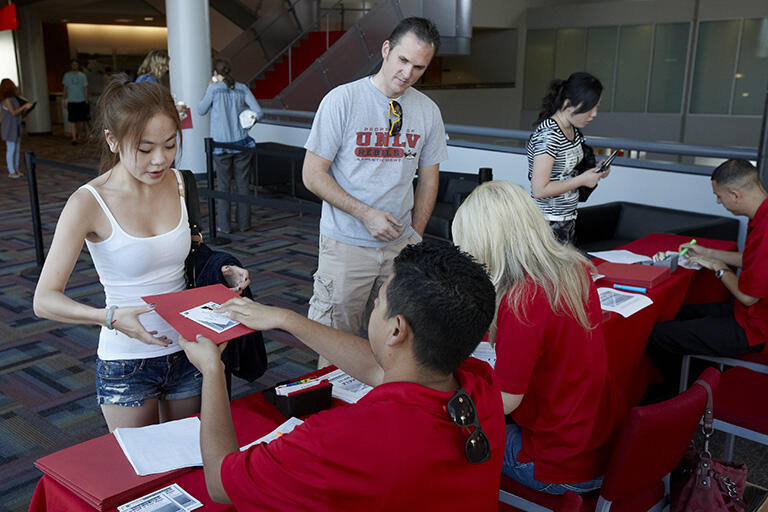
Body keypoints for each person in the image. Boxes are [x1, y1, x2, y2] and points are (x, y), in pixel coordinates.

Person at [178, 240, 506, 509]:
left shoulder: (345, 437)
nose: (374, 308)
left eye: (378, 302)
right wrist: (286, 319)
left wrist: (213, 370)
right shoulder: (481, 388)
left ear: (396, 330)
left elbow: (220, 483)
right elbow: (380, 368)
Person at [32, 74, 249, 431]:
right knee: (140, 464)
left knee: (191, 454)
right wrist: (109, 317)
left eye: (170, 144)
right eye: (145, 149)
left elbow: (190, 253)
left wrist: (220, 268)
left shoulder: (179, 183)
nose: (160, 160)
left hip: (189, 348)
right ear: (113, 140)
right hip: (126, 361)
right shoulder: (88, 202)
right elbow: (44, 301)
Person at [452, 180, 624, 495]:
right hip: (599, 444)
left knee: (448, 437)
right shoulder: (573, 269)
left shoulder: (522, 302)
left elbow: (505, 402)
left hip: (558, 463)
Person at [302, 17, 447, 365]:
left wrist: (415, 236)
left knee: (392, 345)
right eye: (402, 60)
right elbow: (312, 175)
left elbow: (429, 180)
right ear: (386, 50)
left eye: (419, 67)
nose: (408, 73)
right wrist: (365, 214)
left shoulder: (427, 111)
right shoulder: (343, 100)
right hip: (346, 244)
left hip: (400, 247)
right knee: (335, 343)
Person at [647, 159, 767, 394]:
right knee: (676, 313)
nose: (718, 202)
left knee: (658, 336)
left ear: (735, 195)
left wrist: (718, 267)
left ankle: (680, 397)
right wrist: (707, 252)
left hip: (754, 329)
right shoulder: (761, 214)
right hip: (746, 313)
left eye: (719, 197)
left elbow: (748, 297)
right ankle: (698, 379)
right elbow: (752, 260)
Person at [527, 72, 609, 244]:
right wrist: (582, 180)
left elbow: (567, 173)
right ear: (567, 104)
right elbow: (539, 190)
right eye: (590, 107)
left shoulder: (572, 130)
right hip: (546, 224)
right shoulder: (549, 135)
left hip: (566, 220)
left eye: (597, 107)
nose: (594, 114)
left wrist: (595, 172)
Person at [197, 58, 263, 233]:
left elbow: (201, 110)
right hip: (242, 143)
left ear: (215, 73)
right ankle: (244, 224)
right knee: (243, 185)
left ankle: (225, 226)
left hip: (221, 145)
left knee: (223, 187)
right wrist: (247, 121)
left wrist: (208, 89)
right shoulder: (242, 88)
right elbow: (259, 112)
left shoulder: (214, 88)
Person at [0, 79, 32, 178]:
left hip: (15, 125)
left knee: (16, 149)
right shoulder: (7, 100)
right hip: (9, 127)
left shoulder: (13, 98)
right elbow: (13, 112)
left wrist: (25, 108)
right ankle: (11, 171)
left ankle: (16, 169)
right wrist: (24, 106)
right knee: (11, 149)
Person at [62, 59, 90, 145]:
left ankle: (79, 136)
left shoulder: (82, 76)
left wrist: (86, 99)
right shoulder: (67, 75)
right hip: (71, 101)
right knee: (72, 120)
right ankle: (74, 138)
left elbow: (85, 88)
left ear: (78, 65)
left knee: (81, 120)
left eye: (76, 64)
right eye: (73, 64)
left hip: (81, 100)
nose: (74, 66)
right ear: (71, 65)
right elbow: (65, 88)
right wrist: (64, 99)